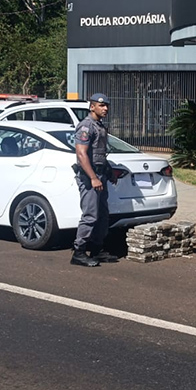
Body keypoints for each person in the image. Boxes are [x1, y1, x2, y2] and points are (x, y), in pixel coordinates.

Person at [70, 93, 119, 267]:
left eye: (107, 105)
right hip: (89, 177)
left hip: (100, 175)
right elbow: (82, 154)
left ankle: (97, 249)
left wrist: (109, 172)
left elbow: (99, 154)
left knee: (103, 215)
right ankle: (79, 252)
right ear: (92, 107)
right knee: (90, 215)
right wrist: (92, 177)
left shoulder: (99, 126)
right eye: (101, 105)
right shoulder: (86, 126)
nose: (105, 108)